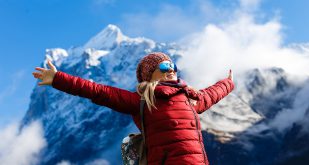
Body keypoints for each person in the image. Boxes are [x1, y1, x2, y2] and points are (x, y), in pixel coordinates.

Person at [32, 52, 234, 165]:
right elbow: (97, 91)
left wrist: (228, 83)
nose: (171, 69)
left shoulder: (190, 98)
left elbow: (211, 94)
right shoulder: (142, 101)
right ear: (150, 75)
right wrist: (58, 79)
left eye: (172, 65)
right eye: (164, 67)